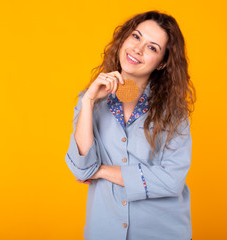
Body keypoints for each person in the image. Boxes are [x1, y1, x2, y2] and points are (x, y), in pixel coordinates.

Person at [65, 10, 196, 240]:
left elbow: (171, 181)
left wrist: (101, 171)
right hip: (104, 231)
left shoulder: (174, 113)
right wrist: (88, 101)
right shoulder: (90, 101)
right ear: (124, 38)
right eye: (136, 36)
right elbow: (80, 167)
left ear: (163, 63)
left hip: (161, 232)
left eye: (152, 47)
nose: (138, 48)